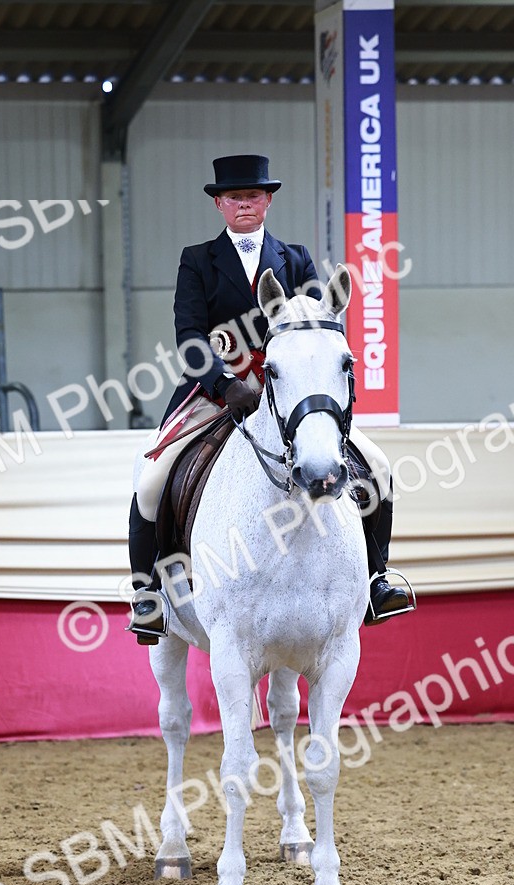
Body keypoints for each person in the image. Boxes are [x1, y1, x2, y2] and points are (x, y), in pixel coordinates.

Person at [127, 154, 411, 641]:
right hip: (216, 393)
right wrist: (226, 385)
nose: (244, 204)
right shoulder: (197, 260)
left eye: (253, 196)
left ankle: (376, 579)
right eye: (234, 197)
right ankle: (150, 593)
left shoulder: (295, 257)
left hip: (289, 393)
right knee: (152, 478)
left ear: (268, 201)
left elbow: (319, 327)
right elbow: (190, 337)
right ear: (219, 204)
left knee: (378, 465)